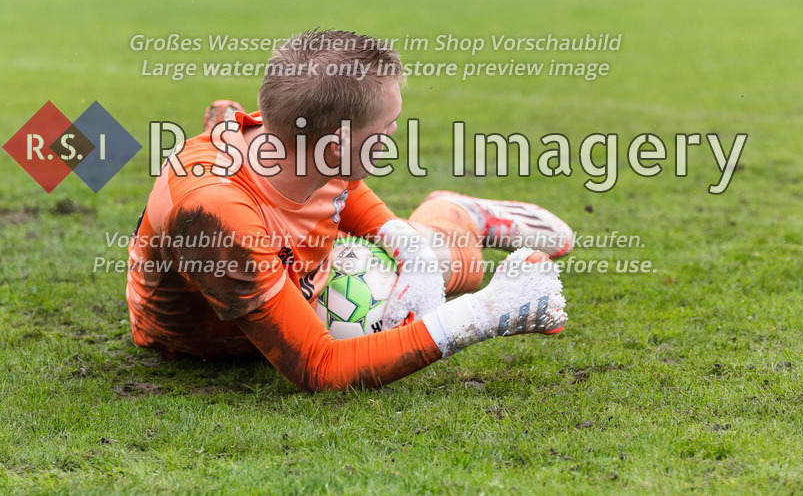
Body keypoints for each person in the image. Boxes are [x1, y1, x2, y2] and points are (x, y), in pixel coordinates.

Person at [126, 30, 574, 391]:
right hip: (207, 343)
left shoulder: (300, 139)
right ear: (336, 147)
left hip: (302, 271)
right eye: (384, 130)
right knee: (409, 314)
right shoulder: (214, 215)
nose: (394, 133)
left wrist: (405, 244)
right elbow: (319, 366)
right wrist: (483, 315)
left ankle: (454, 215)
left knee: (456, 267)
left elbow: (343, 187)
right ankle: (452, 215)